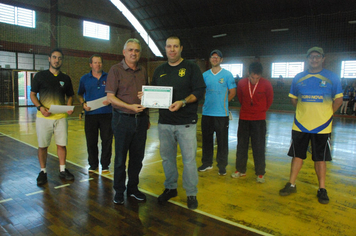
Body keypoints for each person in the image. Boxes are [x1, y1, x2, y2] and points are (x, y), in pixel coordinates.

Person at [279, 47, 343, 204]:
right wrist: (304, 112)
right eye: (311, 57)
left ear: (323, 58)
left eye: (317, 56)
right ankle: (291, 184)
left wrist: (326, 115)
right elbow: (294, 99)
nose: (314, 59)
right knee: (297, 156)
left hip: (322, 127)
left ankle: (322, 189)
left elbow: (339, 100)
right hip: (300, 125)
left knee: (320, 158)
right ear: (307, 59)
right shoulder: (299, 77)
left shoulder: (332, 77)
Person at [151, 36, 206, 210]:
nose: (172, 49)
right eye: (169, 46)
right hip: (164, 123)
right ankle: (170, 188)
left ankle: (191, 193)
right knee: (167, 159)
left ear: (181, 48)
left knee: (189, 160)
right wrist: (145, 97)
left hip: (186, 123)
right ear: (165, 49)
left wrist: (183, 101)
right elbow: (154, 93)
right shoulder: (159, 70)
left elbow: (199, 91)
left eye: (175, 46)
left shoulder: (191, 67)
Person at [106, 38, 149, 205]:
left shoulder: (143, 71)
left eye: (137, 50)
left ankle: (133, 188)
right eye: (130, 50)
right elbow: (110, 98)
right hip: (122, 120)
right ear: (124, 52)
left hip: (141, 120)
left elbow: (147, 95)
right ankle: (118, 190)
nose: (134, 53)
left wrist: (147, 116)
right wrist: (130, 107)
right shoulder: (115, 70)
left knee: (137, 158)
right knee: (120, 158)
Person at [30, 48, 75, 185]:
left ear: (62, 60)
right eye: (54, 57)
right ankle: (43, 171)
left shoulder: (65, 78)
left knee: (62, 145)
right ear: (49, 59)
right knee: (43, 146)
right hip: (44, 117)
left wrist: (68, 107)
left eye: (60, 58)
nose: (57, 60)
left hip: (61, 117)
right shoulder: (40, 76)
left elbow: (70, 96)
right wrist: (40, 107)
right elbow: (33, 94)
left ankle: (62, 169)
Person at [231, 62, 274, 183]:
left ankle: (260, 173)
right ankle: (240, 170)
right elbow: (240, 97)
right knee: (241, 145)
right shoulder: (241, 83)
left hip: (259, 120)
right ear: (248, 74)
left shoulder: (267, 84)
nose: (254, 80)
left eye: (257, 78)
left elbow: (269, 100)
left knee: (259, 147)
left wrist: (260, 111)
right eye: (252, 77)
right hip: (244, 119)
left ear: (261, 75)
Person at [198, 49, 236, 175]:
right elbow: (202, 91)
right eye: (212, 57)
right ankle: (207, 163)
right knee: (207, 140)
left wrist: (223, 102)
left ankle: (222, 165)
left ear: (221, 59)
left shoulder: (227, 75)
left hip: (221, 114)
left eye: (217, 57)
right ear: (210, 59)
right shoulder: (205, 75)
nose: (215, 59)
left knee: (222, 141)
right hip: (207, 113)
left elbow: (232, 92)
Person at [78, 54, 113, 173]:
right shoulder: (84, 79)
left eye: (100, 62)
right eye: (95, 62)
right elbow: (79, 94)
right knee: (91, 141)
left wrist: (110, 100)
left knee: (107, 141)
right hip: (90, 115)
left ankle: (105, 165)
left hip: (107, 114)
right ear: (90, 64)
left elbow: (115, 93)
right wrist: (83, 104)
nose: (98, 65)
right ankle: (93, 164)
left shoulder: (109, 77)